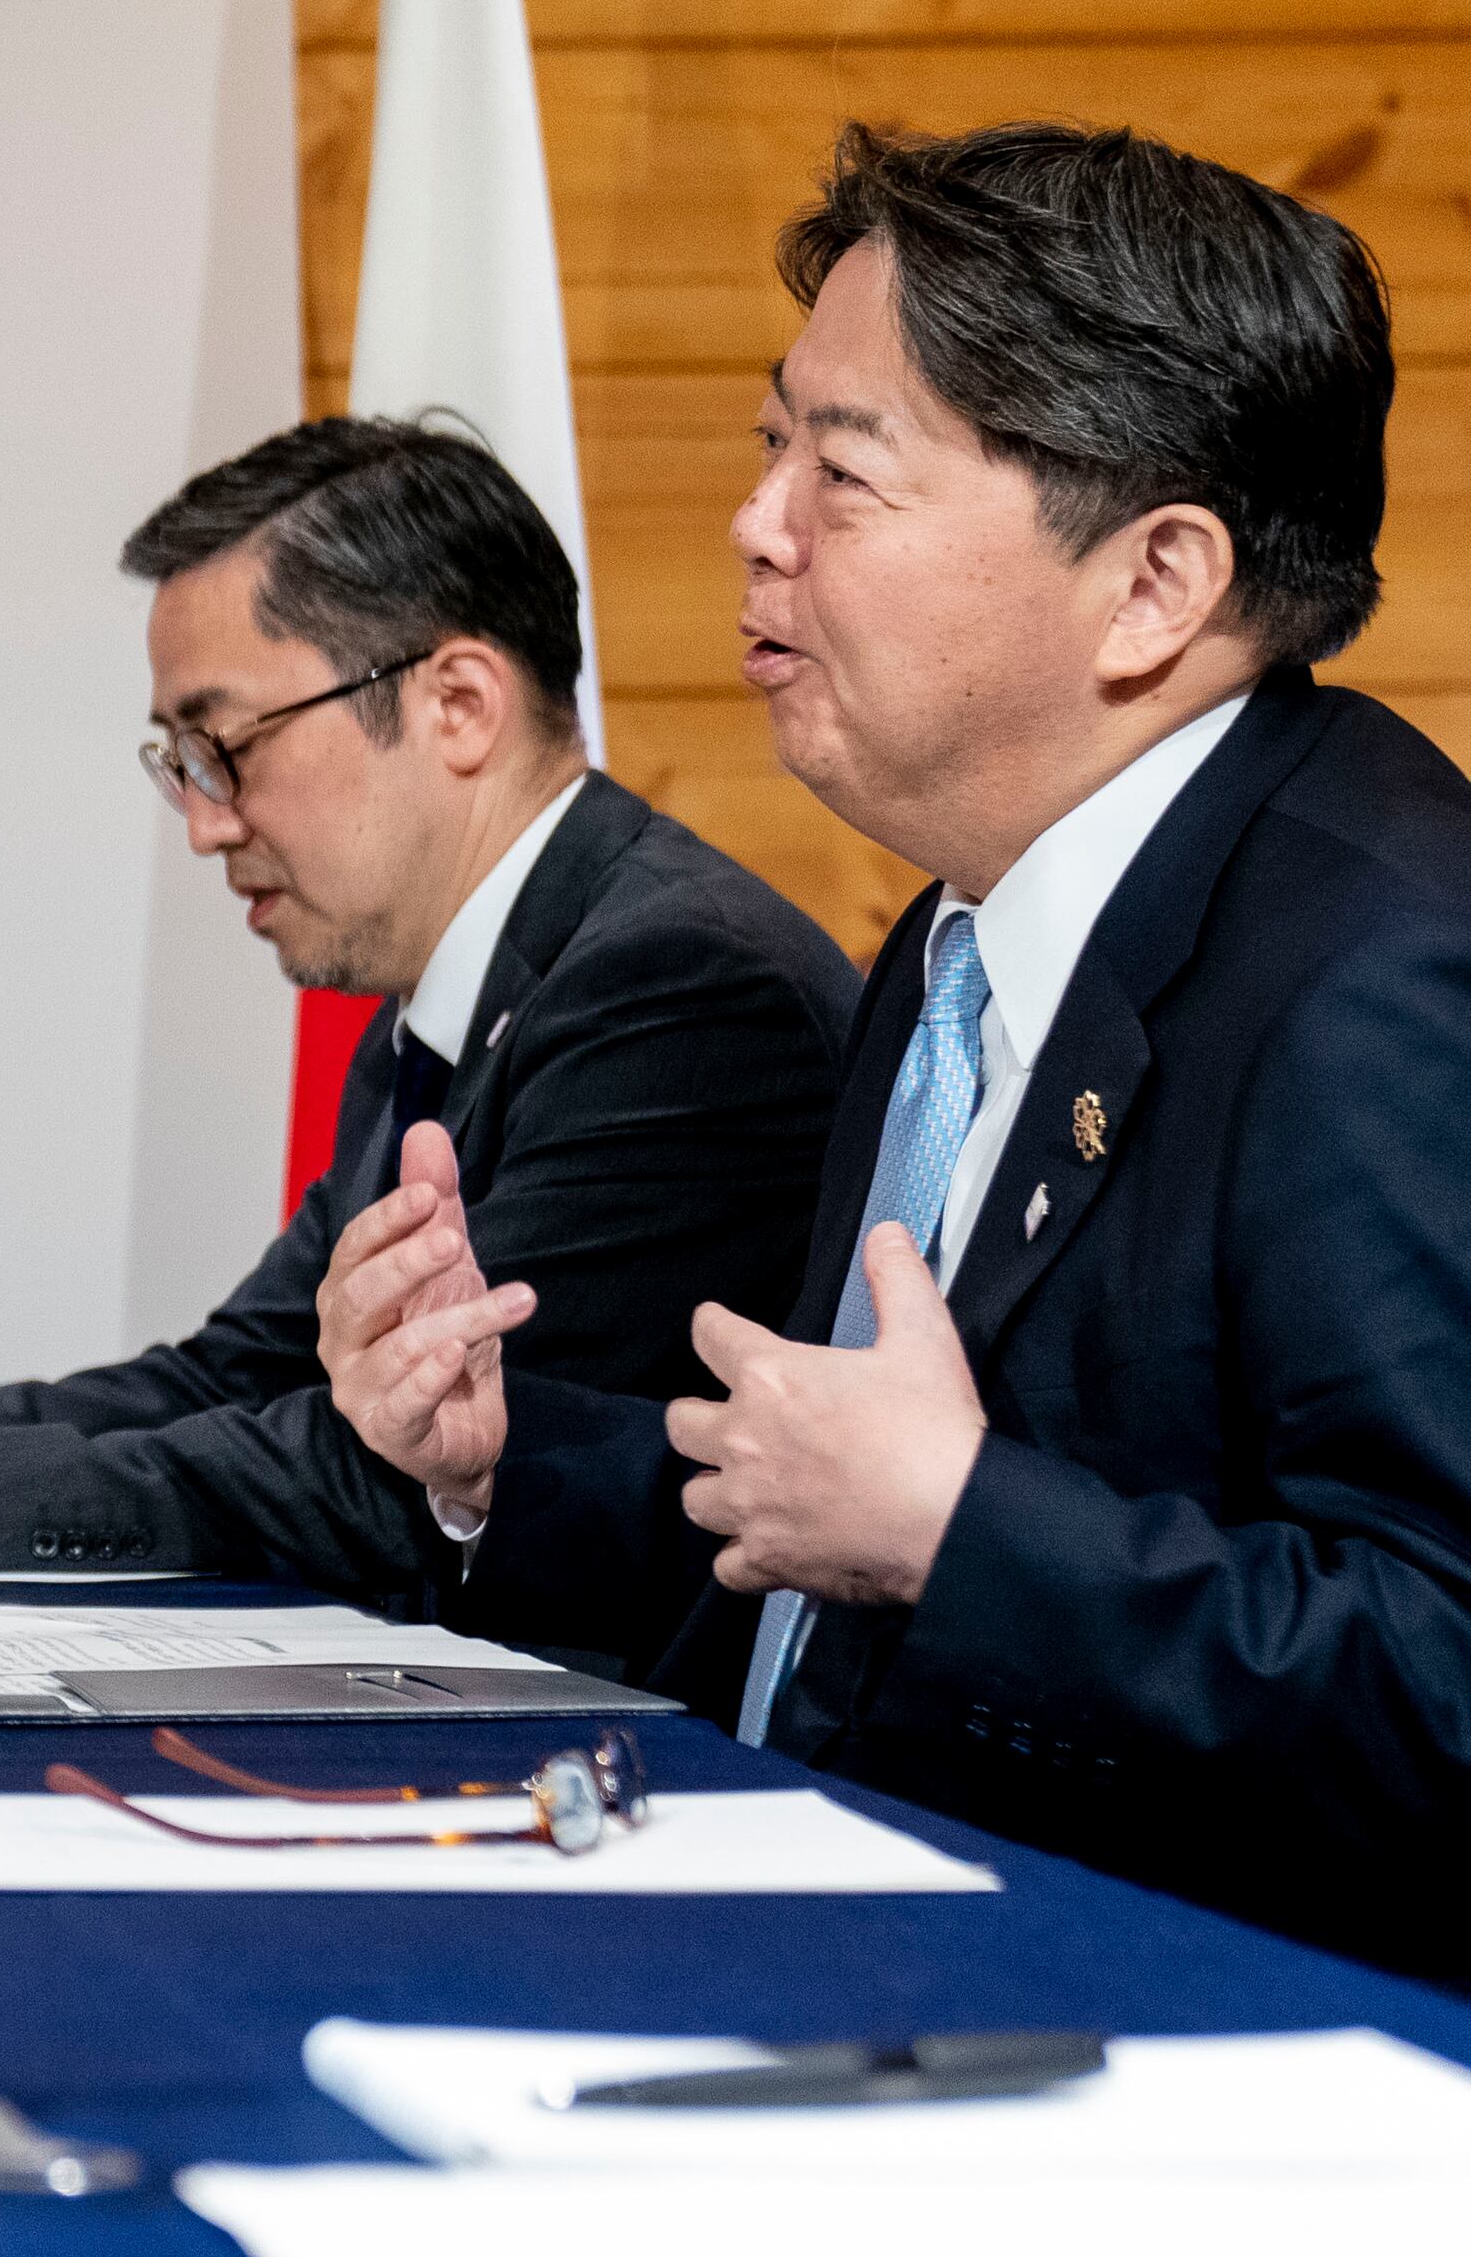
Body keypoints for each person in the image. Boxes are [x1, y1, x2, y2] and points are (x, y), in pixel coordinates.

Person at [325, 121, 1471, 1980]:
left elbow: (1441, 1683)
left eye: (843, 474)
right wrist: (499, 1455)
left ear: (1156, 583)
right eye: (774, 442)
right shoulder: (961, 927)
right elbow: (825, 1555)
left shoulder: (1383, 977)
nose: (754, 521)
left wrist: (961, 1525)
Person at [0, 416, 856, 1607]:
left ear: (459, 704)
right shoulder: (437, 1005)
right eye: (175, 762)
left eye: (223, 747)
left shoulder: (679, 990)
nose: (204, 822)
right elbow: (240, 1373)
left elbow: (394, 1466)